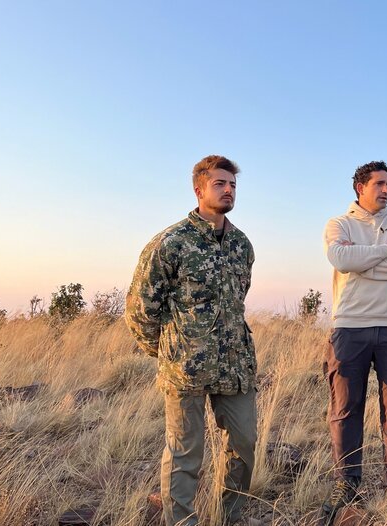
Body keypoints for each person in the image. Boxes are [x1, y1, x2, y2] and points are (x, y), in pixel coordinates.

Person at [125, 155, 257, 526]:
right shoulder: (171, 243)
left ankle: (231, 517)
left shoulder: (242, 245)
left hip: (235, 366)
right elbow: (140, 309)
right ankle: (182, 521)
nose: (228, 189)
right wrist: (170, 350)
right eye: (220, 183)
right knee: (185, 453)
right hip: (185, 369)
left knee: (244, 444)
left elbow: (238, 299)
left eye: (232, 184)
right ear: (199, 190)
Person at [320, 160, 387, 524]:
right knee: (346, 409)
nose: (386, 190)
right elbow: (340, 257)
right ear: (360, 187)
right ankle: (347, 484)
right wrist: (384, 252)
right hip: (349, 327)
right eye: (379, 183)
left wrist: (363, 261)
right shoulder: (339, 224)